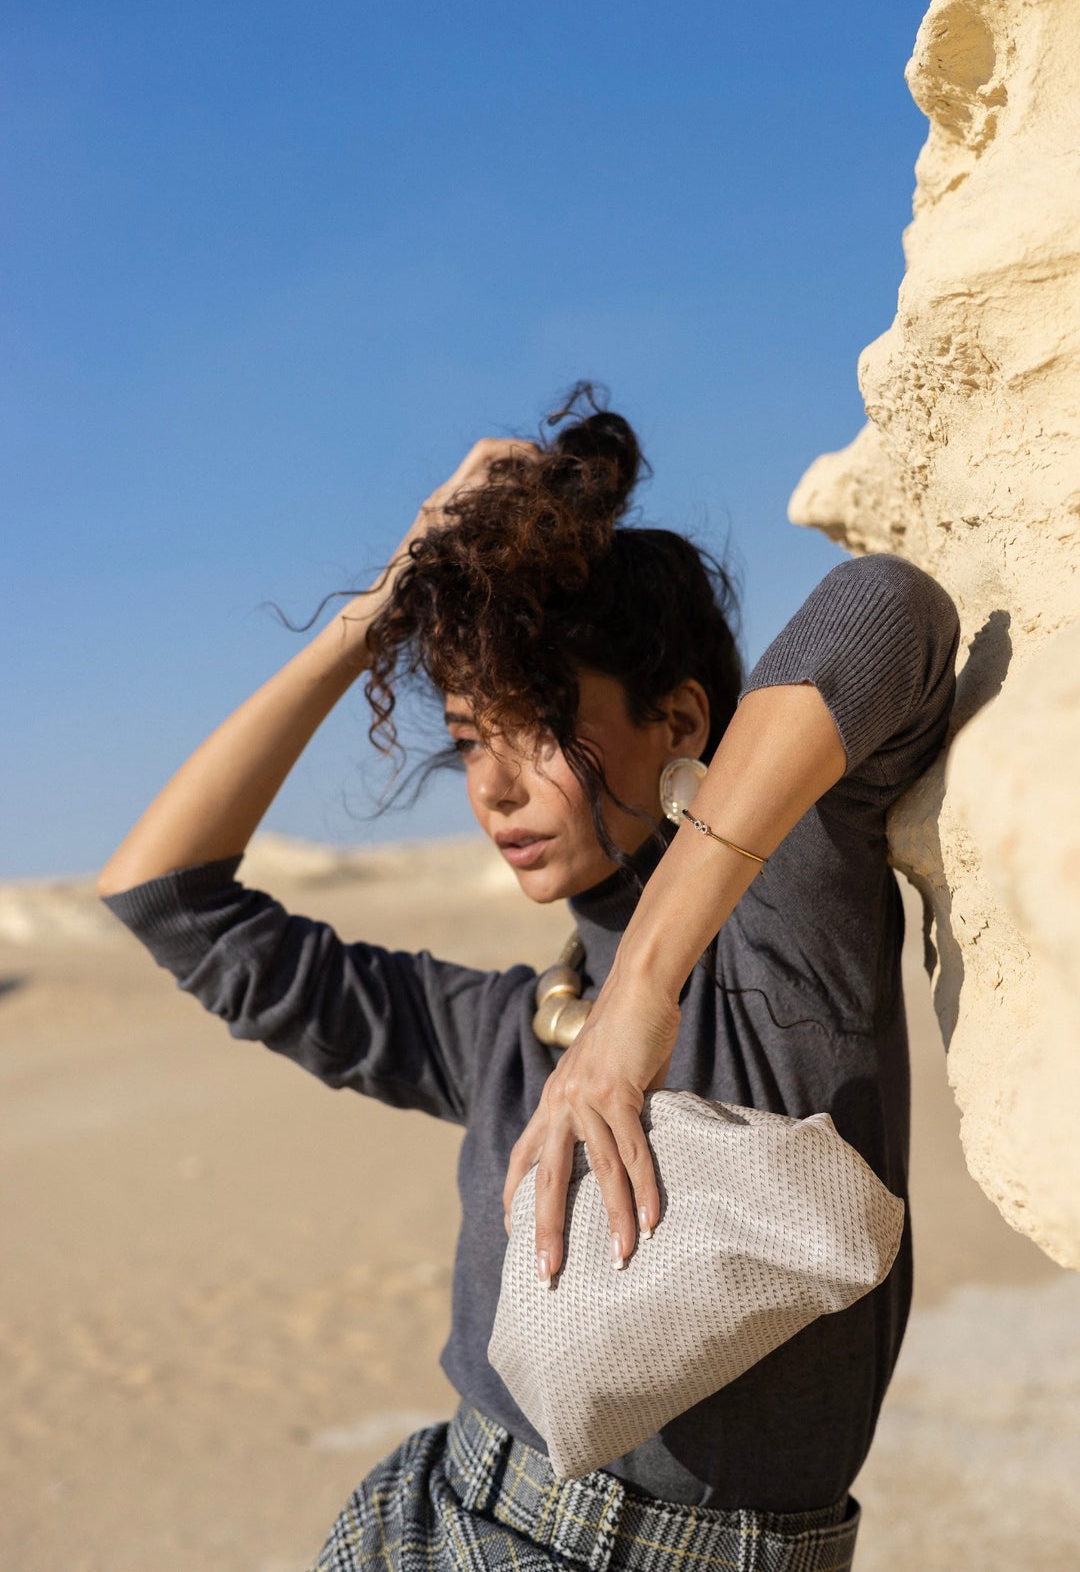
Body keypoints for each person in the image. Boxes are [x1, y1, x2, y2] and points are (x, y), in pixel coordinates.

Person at [98, 387, 960, 1572]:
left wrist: (643, 998)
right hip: (438, 1524)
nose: (491, 789)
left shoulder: (785, 920)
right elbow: (168, 898)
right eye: (468, 737)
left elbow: (888, 610)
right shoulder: (508, 1030)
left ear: (678, 719)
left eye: (538, 730)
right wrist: (381, 607)